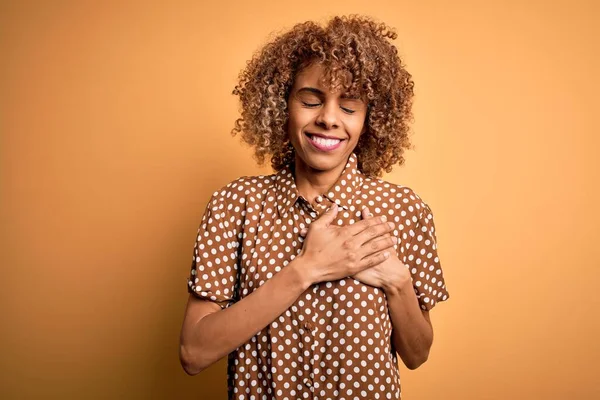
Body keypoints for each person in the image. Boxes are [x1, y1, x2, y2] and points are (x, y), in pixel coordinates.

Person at [179, 15, 450, 400]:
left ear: (370, 119)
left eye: (350, 107)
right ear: (281, 105)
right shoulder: (234, 205)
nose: (328, 118)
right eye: (311, 100)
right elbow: (193, 352)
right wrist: (308, 269)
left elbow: (417, 354)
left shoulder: (404, 211)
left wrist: (398, 282)